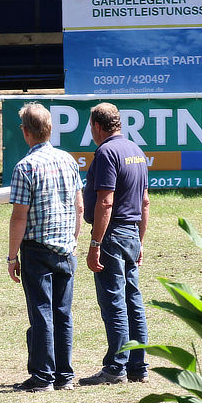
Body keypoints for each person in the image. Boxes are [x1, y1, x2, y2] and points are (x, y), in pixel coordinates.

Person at [7, 103, 84, 393]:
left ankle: (42, 376)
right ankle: (64, 375)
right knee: (63, 314)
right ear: (50, 129)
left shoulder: (24, 167)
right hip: (66, 249)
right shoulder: (68, 160)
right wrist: (73, 240)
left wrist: (11, 256)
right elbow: (79, 206)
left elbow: (19, 216)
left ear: (25, 132)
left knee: (41, 314)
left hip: (37, 249)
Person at [79, 102, 150, 386]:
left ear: (97, 126)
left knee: (114, 303)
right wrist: (139, 240)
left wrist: (95, 242)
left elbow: (106, 202)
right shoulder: (136, 151)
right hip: (131, 232)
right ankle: (138, 366)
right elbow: (145, 201)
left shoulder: (106, 153)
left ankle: (115, 367)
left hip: (112, 235)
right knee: (133, 301)